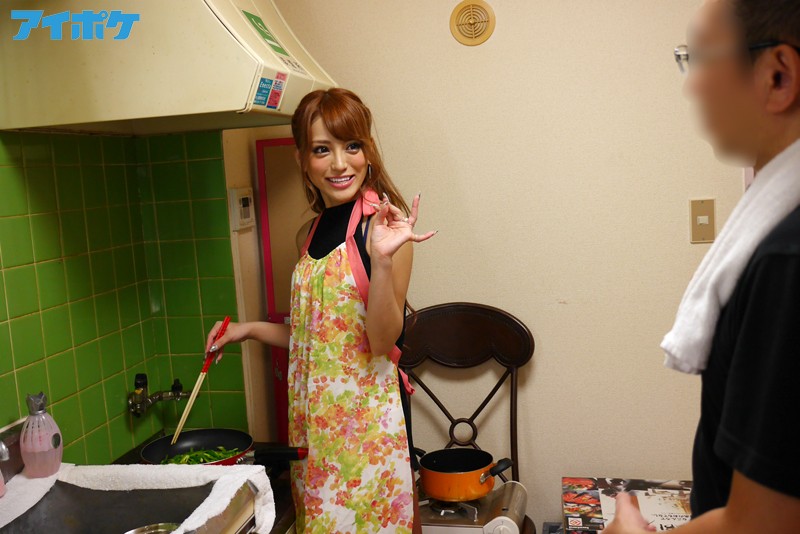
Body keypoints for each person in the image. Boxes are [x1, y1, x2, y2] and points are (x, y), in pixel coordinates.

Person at [606, 0, 800, 532]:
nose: (691, 85)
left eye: (702, 59)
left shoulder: (786, 259)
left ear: (778, 76)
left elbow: (766, 523)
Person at [205, 88, 435, 532]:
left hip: (367, 436)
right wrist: (246, 330)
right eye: (322, 150)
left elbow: (381, 341)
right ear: (302, 159)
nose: (340, 164)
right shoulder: (307, 235)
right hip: (315, 434)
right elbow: (318, 340)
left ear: (368, 151)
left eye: (352, 146)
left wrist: (382, 261)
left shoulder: (385, 229)